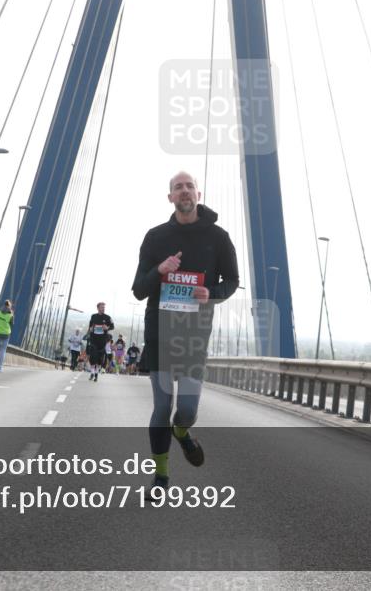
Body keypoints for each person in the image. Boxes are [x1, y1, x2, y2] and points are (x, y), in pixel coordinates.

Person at [132, 171, 239, 498]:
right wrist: (159, 271)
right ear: (170, 198)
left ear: (198, 194)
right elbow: (138, 290)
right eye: (177, 188)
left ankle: (183, 432)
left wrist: (213, 292)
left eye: (189, 186)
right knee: (162, 409)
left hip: (195, 336)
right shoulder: (155, 237)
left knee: (188, 411)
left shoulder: (219, 238)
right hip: (160, 334)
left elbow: (232, 281)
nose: (184, 191)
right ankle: (161, 478)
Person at [85, 302, 114, 382]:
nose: (103, 309)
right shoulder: (93, 316)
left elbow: (112, 326)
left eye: (104, 307)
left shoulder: (108, 317)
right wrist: (90, 330)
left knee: (99, 359)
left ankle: (96, 374)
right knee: (93, 356)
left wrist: (107, 328)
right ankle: (92, 372)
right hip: (94, 339)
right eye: (101, 307)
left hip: (102, 340)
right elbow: (90, 326)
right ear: (98, 308)